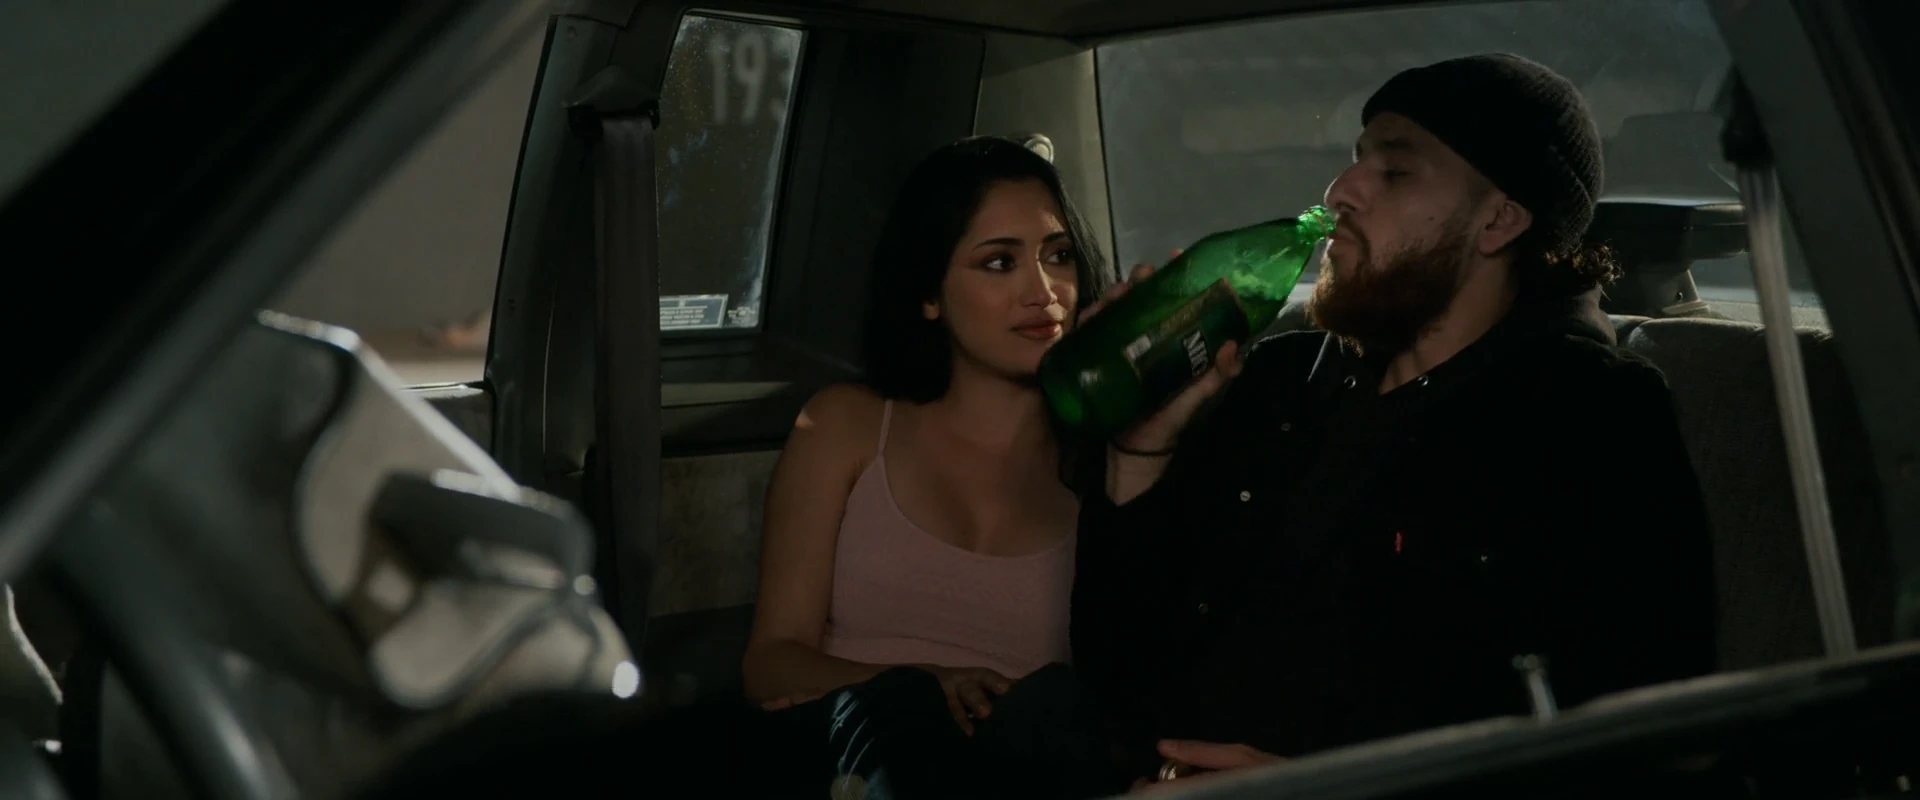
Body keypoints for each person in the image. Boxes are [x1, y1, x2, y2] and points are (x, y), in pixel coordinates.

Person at [1072, 53, 1717, 790]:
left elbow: (1642, 754)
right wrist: (1140, 450)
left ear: (1499, 218)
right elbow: (1114, 667)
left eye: (1396, 170)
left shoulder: (1593, 418)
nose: (1339, 191)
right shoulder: (1280, 378)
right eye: (1356, 159)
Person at [733, 134, 1118, 798]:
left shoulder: (1110, 461)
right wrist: (923, 683)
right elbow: (770, 663)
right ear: (928, 294)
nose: (1044, 291)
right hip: (854, 753)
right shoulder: (847, 425)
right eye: (999, 262)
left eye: (1058, 256)